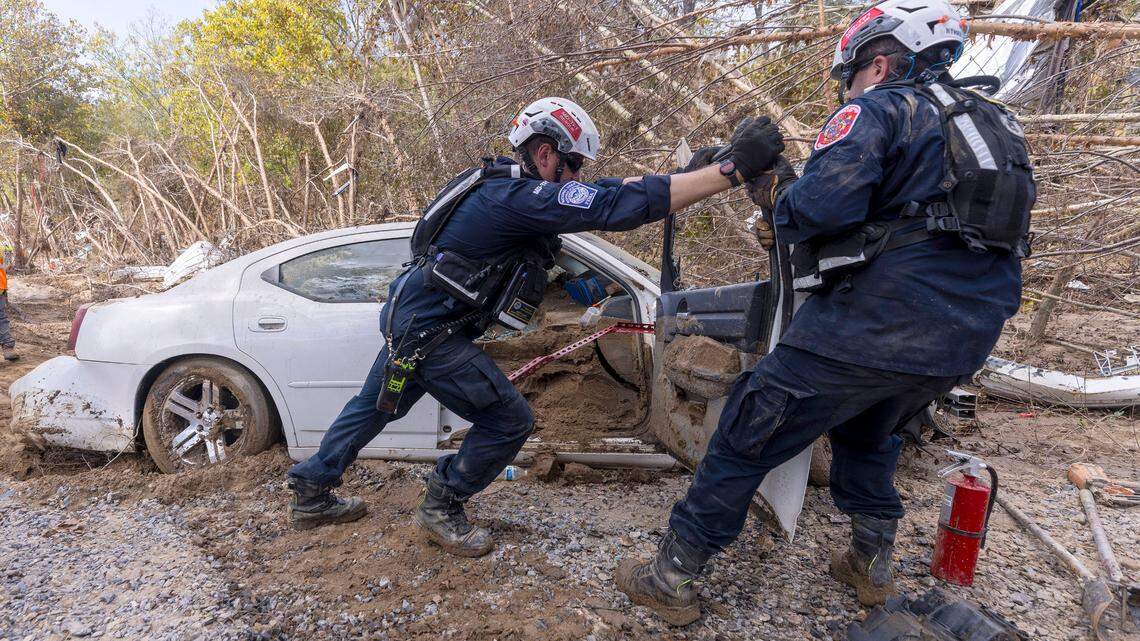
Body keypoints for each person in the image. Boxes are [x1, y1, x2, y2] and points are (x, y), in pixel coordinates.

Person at [616, 0, 1034, 625]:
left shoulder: (882, 107)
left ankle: (672, 575)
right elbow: (928, 225)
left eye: (852, 75)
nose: (849, 89)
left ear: (882, 62)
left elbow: (818, 210)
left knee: (745, 433)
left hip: (874, 324)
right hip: (964, 337)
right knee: (869, 430)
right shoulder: (996, 126)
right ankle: (870, 562)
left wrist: (773, 188)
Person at [285, 97, 786, 557]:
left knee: (373, 409)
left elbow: (606, 192)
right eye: (573, 166)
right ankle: (442, 502)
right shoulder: (515, 200)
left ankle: (311, 489)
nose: (576, 178)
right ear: (546, 154)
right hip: (431, 336)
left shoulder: (505, 188)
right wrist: (732, 170)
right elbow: (611, 208)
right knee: (510, 422)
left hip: (412, 323)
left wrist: (691, 174)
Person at [0, 247, 18, 362]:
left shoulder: (3, 249)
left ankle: (7, 345)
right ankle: (7, 346)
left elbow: (7, 266)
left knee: (1, 318)